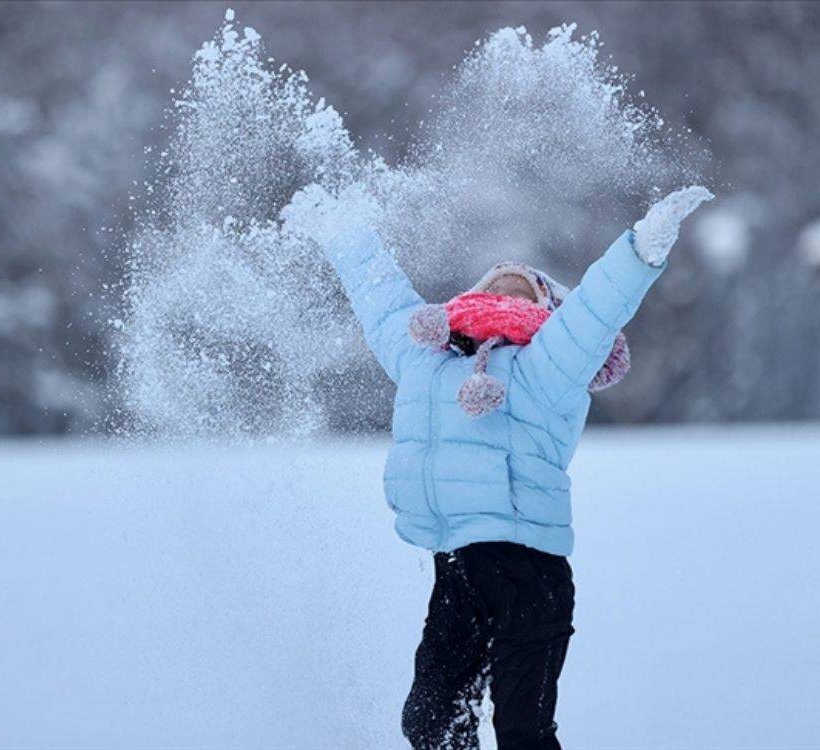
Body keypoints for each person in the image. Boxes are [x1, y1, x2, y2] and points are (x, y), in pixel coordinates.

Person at [283, 184, 713, 750]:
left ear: (545, 310)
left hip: (529, 574)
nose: (508, 282)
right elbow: (381, 298)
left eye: (525, 286)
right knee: (430, 724)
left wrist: (640, 249)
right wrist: (343, 233)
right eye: (494, 282)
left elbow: (597, 307)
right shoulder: (425, 356)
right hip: (457, 568)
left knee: (523, 734)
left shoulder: (550, 363)